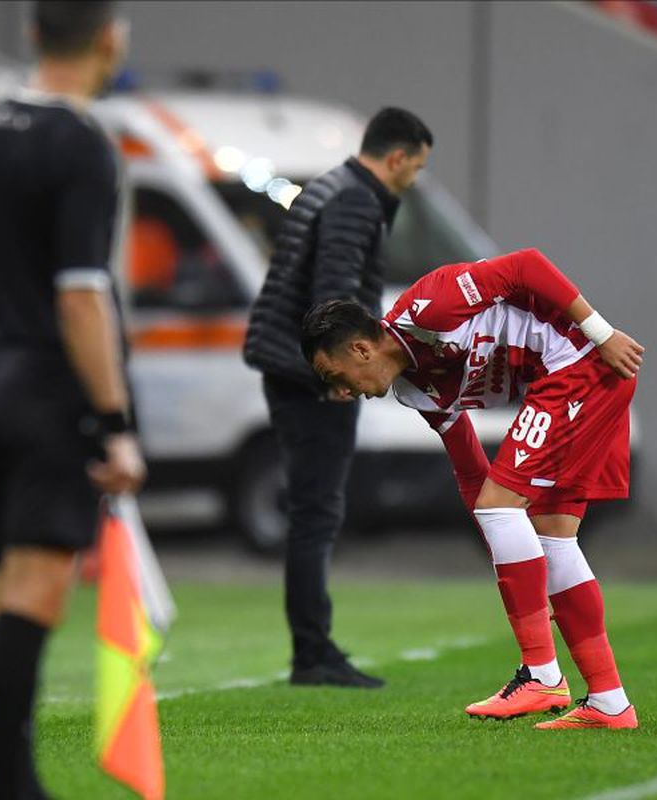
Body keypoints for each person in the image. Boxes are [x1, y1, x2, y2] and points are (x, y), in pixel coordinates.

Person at [0, 3, 144, 796]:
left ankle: (11, 780)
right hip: (56, 392)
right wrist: (116, 424)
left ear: (31, 35)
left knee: (11, 585)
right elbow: (81, 298)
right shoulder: (83, 146)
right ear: (108, 40)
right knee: (34, 589)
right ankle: (12, 786)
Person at [299, 248, 645, 729]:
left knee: (511, 512)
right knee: (550, 536)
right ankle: (610, 702)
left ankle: (541, 676)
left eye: (335, 376)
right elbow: (470, 471)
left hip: (581, 365)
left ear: (360, 349)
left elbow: (527, 265)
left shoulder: (432, 308)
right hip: (574, 381)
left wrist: (601, 333)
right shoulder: (413, 389)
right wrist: (516, 574)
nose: (342, 391)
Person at [242, 108, 433, 688]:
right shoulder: (354, 200)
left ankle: (312, 647)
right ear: (396, 157)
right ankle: (313, 652)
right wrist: (338, 378)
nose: (415, 179)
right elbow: (335, 297)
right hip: (307, 378)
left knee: (311, 510)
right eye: (416, 166)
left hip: (288, 366)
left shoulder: (331, 184)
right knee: (316, 512)